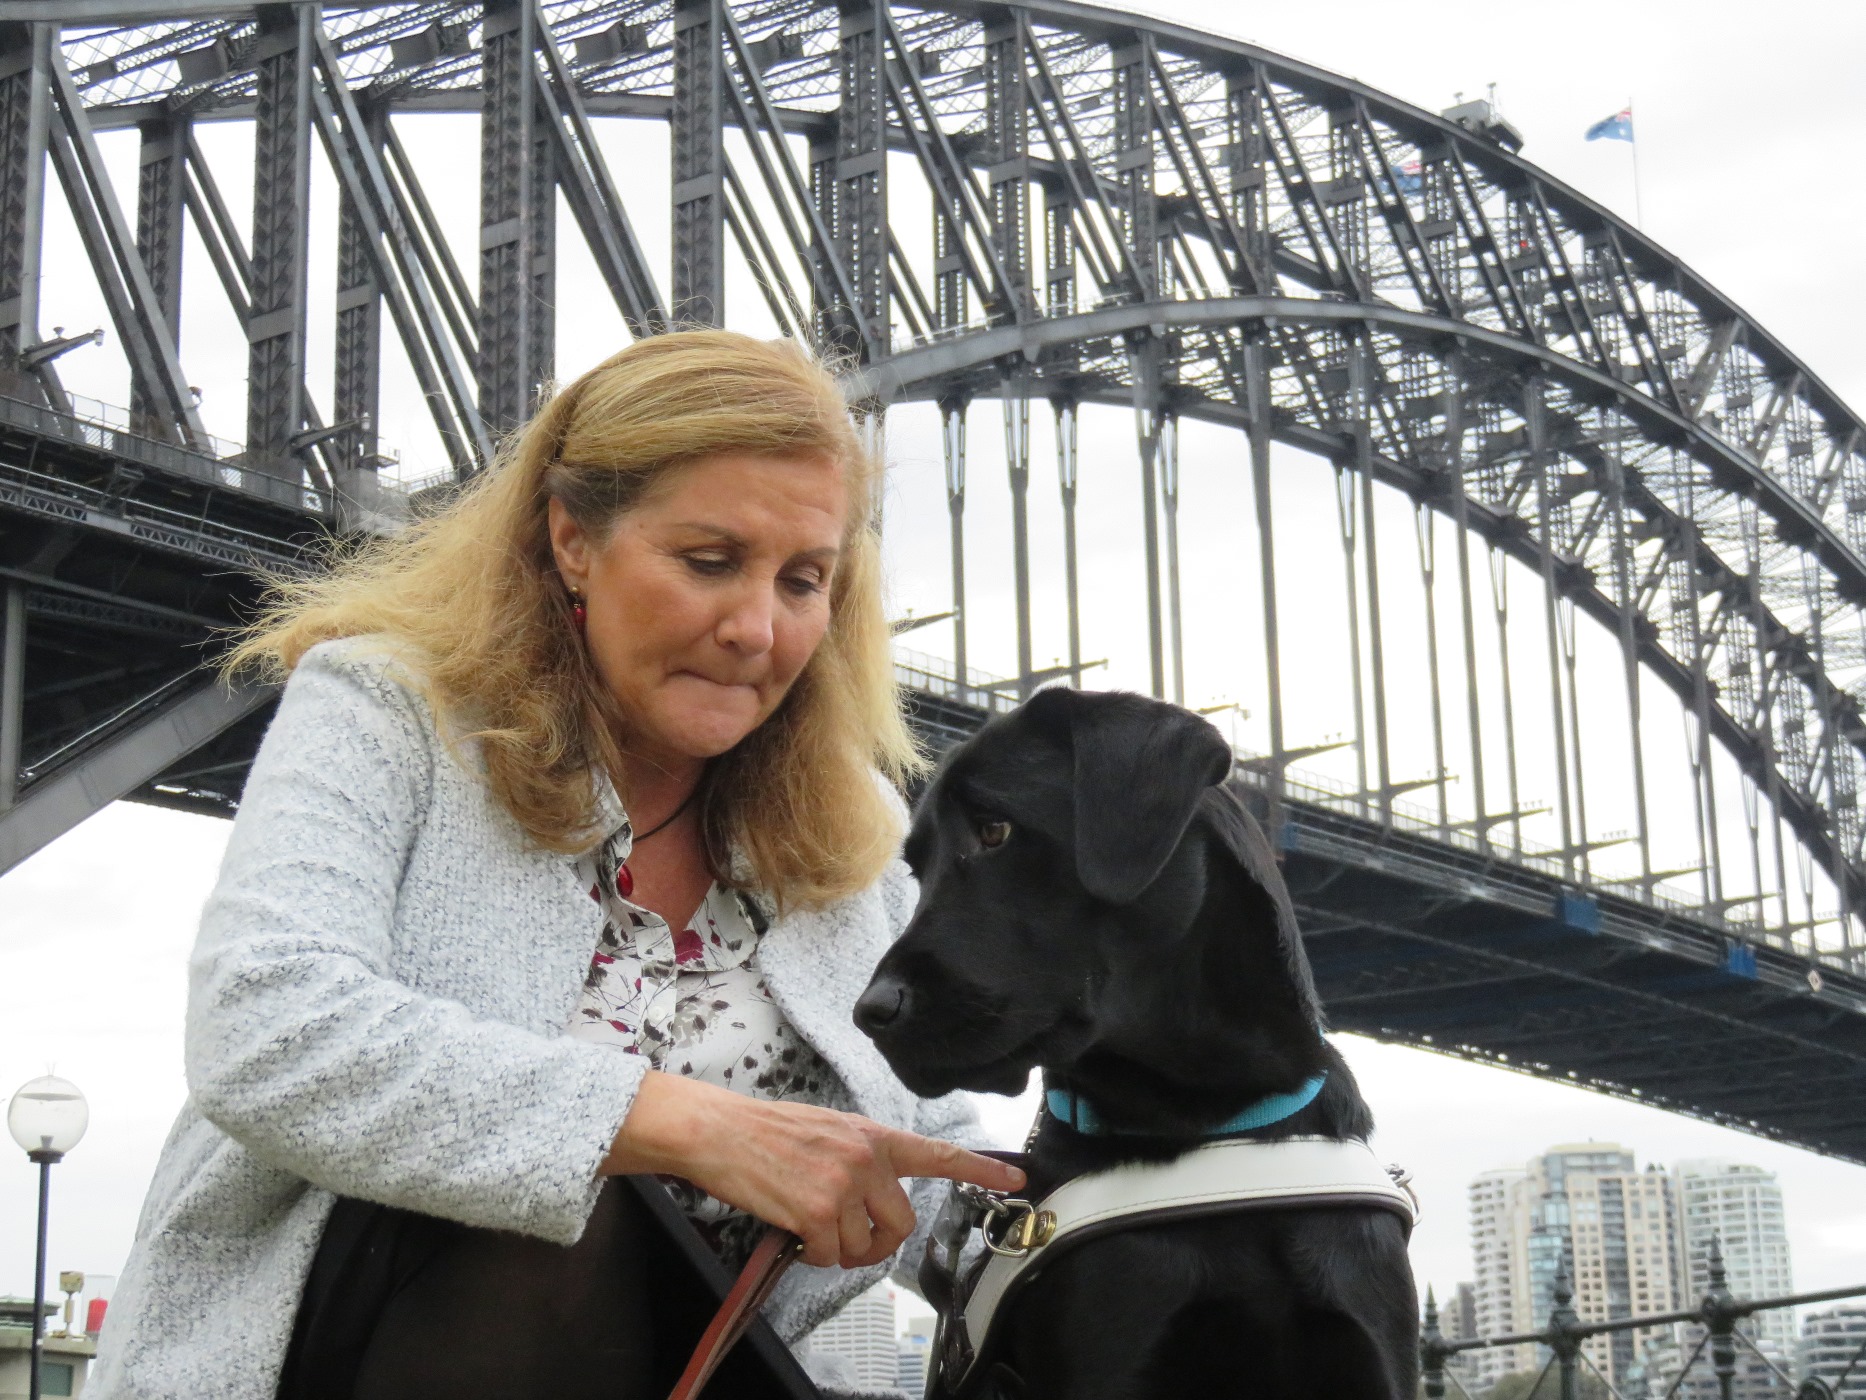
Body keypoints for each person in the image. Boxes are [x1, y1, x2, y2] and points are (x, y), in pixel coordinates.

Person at [88, 331, 1023, 1400]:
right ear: (573, 537)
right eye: (709, 561)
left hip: (691, 1368)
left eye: (805, 580)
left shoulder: (846, 822)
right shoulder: (387, 707)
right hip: (359, 1351)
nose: (758, 627)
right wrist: (678, 1123)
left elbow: (927, 1157)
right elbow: (267, 1025)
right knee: (544, 1212)